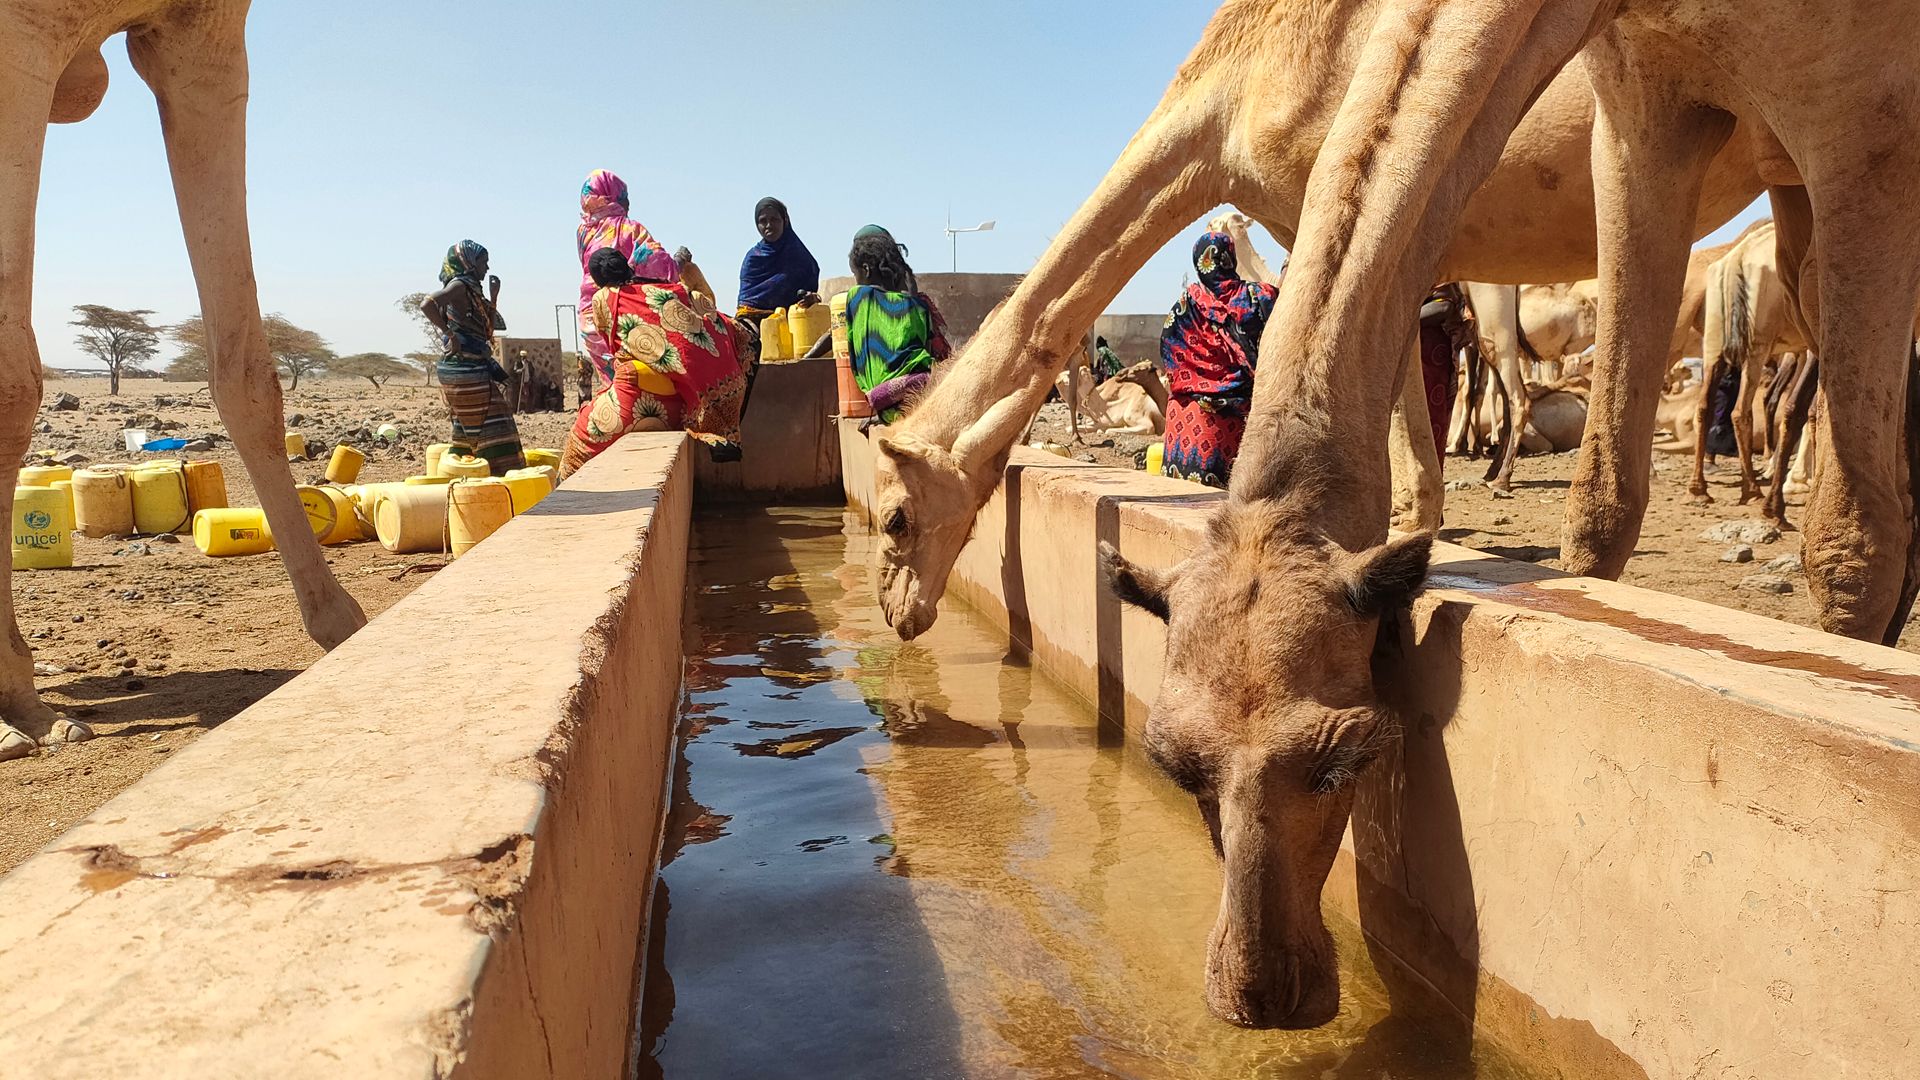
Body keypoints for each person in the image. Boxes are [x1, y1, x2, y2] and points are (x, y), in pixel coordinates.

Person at [561, 248, 758, 478]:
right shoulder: (664, 291)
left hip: (637, 395)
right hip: (684, 400)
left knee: (580, 442)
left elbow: (610, 341)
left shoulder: (603, 298)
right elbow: (706, 307)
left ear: (597, 279)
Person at [1158, 229, 1278, 488]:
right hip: (1235, 420)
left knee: (1180, 504)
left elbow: (1168, 352)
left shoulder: (1185, 305)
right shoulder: (1259, 298)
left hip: (1185, 419)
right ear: (1230, 257)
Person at [421, 240, 525, 475]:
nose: (487, 268)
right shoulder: (459, 285)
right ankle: (496, 474)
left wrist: (494, 296)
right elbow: (427, 304)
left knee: (471, 424)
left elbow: (487, 330)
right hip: (463, 367)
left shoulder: (472, 289)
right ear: (468, 262)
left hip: (474, 363)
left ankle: (468, 472)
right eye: (483, 262)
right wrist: (449, 334)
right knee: (490, 421)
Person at [577, 170, 681, 390]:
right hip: (621, 313)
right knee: (638, 380)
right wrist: (679, 262)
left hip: (590, 315)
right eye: (624, 197)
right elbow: (660, 265)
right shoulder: (629, 228)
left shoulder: (583, 232)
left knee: (613, 382)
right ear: (611, 197)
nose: (629, 203)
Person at [844, 225, 950, 424]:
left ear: (865, 269)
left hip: (884, 401)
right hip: (923, 397)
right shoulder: (917, 305)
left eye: (855, 273)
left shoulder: (858, 297)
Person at [736, 197, 820, 325]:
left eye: (774, 220)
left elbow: (811, 293)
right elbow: (746, 305)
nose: (768, 225)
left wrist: (811, 299)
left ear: (784, 221)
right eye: (763, 221)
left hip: (795, 323)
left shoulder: (800, 258)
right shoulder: (753, 259)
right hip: (754, 324)